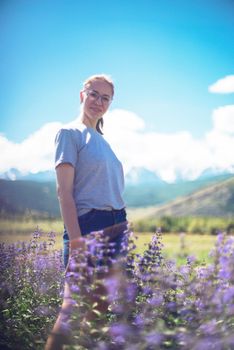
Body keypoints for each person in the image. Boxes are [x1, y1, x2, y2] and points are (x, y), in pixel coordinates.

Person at [45, 74, 128, 350]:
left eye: (106, 98)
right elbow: (64, 192)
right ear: (82, 95)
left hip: (117, 225)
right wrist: (77, 240)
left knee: (101, 304)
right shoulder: (69, 134)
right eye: (94, 94)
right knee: (72, 306)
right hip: (89, 224)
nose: (98, 101)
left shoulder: (103, 141)